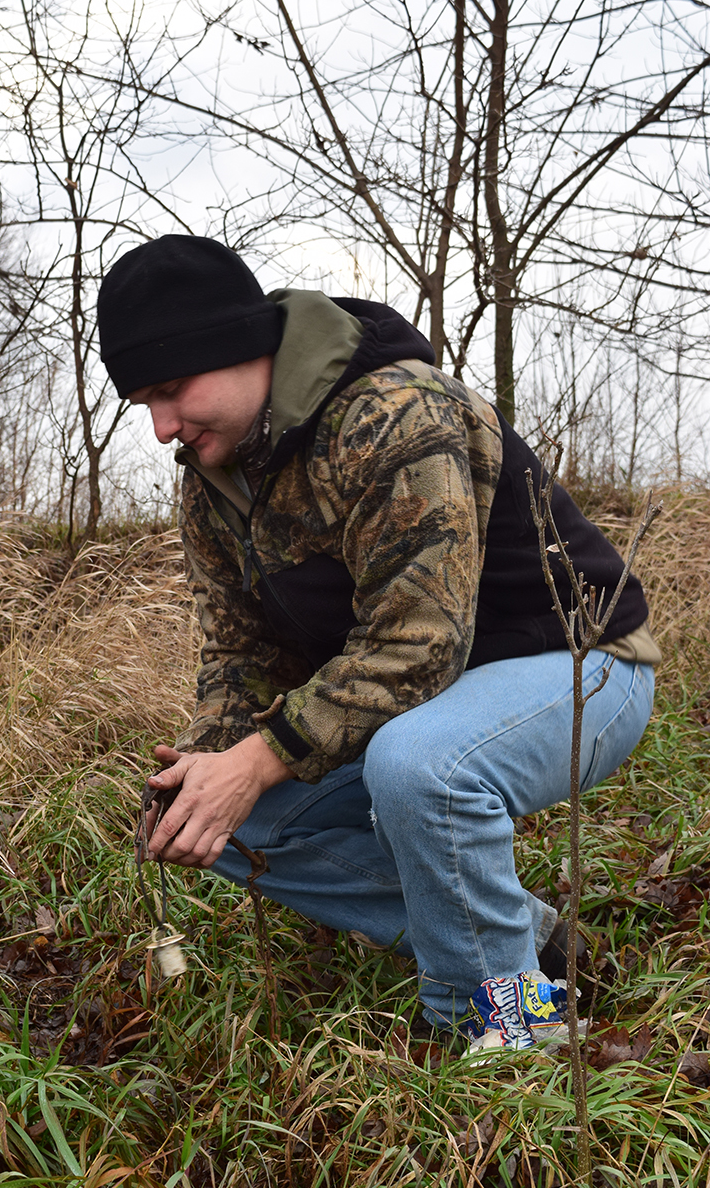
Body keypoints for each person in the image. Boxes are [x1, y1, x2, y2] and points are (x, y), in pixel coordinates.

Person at [96, 234, 659, 1039]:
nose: (161, 428)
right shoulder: (213, 486)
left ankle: (506, 1034)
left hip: (581, 663)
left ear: (239, 346)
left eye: (172, 389)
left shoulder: (395, 412)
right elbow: (239, 654)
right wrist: (210, 765)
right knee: (220, 820)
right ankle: (531, 945)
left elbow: (418, 642)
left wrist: (256, 760)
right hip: (428, 700)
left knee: (419, 765)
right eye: (143, 403)